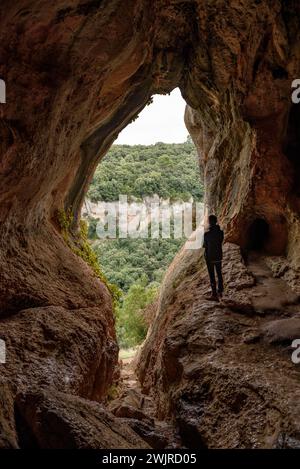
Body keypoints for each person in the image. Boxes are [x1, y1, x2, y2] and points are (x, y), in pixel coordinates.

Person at [203, 214, 224, 301]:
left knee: (212, 275)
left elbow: (205, 246)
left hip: (210, 257)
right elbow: (221, 242)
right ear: (216, 222)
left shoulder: (207, 234)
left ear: (210, 223)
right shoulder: (221, 232)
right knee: (219, 273)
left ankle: (214, 294)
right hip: (218, 255)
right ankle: (220, 291)